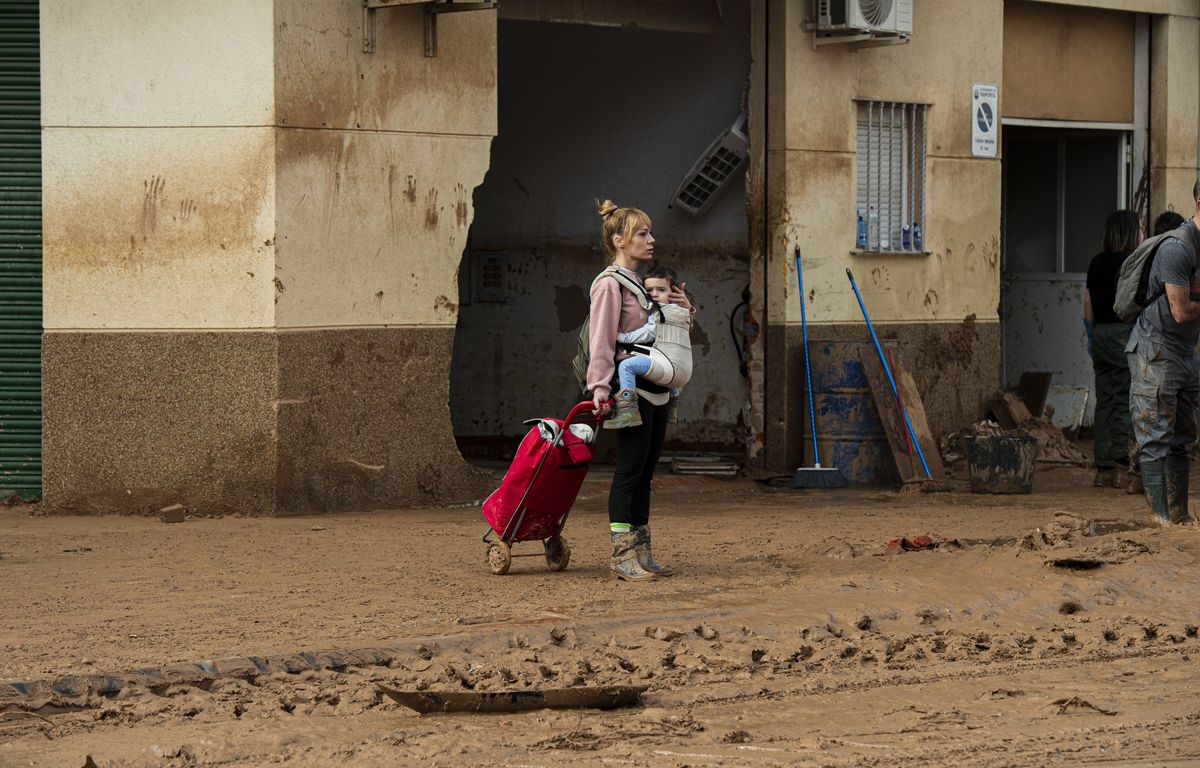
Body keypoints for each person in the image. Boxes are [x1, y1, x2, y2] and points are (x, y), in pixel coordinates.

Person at [587, 199, 693, 580]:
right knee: (629, 471)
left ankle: (643, 551)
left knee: (647, 472)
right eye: (642, 234)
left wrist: (683, 309)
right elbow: (602, 340)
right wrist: (600, 388)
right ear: (619, 240)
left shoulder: (640, 283)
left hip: (658, 386)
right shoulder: (609, 285)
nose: (652, 240)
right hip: (628, 389)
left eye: (649, 233)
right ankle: (621, 555)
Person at [1126, 183, 1200, 526]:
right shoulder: (1177, 247)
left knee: (1183, 437)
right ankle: (1159, 519)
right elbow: (1181, 311)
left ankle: (1181, 514)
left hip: (1185, 351)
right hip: (1156, 350)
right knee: (1155, 436)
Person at [1084, 210, 1141, 490]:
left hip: (1101, 335)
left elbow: (1087, 302)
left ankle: (1102, 468)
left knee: (1105, 398)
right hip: (1124, 333)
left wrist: (1090, 334)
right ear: (1131, 233)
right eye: (1139, 228)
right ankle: (1120, 466)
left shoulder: (1096, 262)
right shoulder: (1131, 263)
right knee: (1124, 399)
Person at [606, 265, 690, 430]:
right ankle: (674, 399)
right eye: (649, 290)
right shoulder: (678, 311)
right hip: (677, 367)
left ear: (673, 293)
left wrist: (622, 337)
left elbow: (648, 333)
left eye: (661, 290)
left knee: (626, 366)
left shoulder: (664, 313)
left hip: (667, 365)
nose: (654, 294)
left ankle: (627, 411)